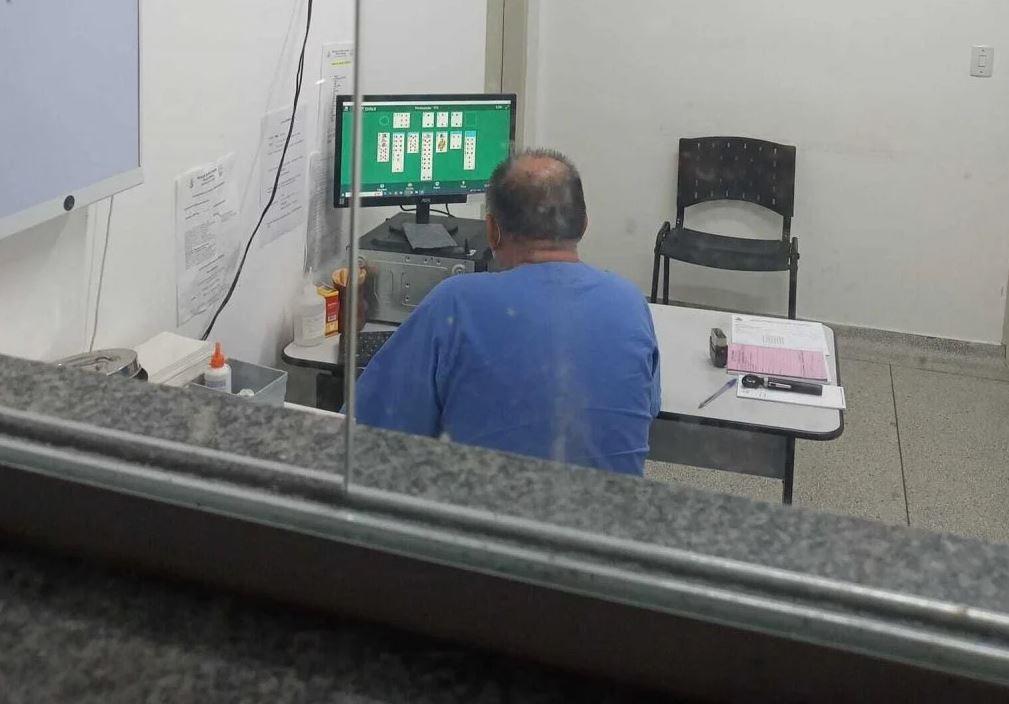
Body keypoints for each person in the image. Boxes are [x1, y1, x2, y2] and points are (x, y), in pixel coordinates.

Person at [354, 149, 661, 475]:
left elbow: (366, 425)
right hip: (610, 507)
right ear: (583, 225)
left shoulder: (455, 303)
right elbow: (648, 407)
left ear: (492, 231)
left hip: (491, 506)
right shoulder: (631, 302)